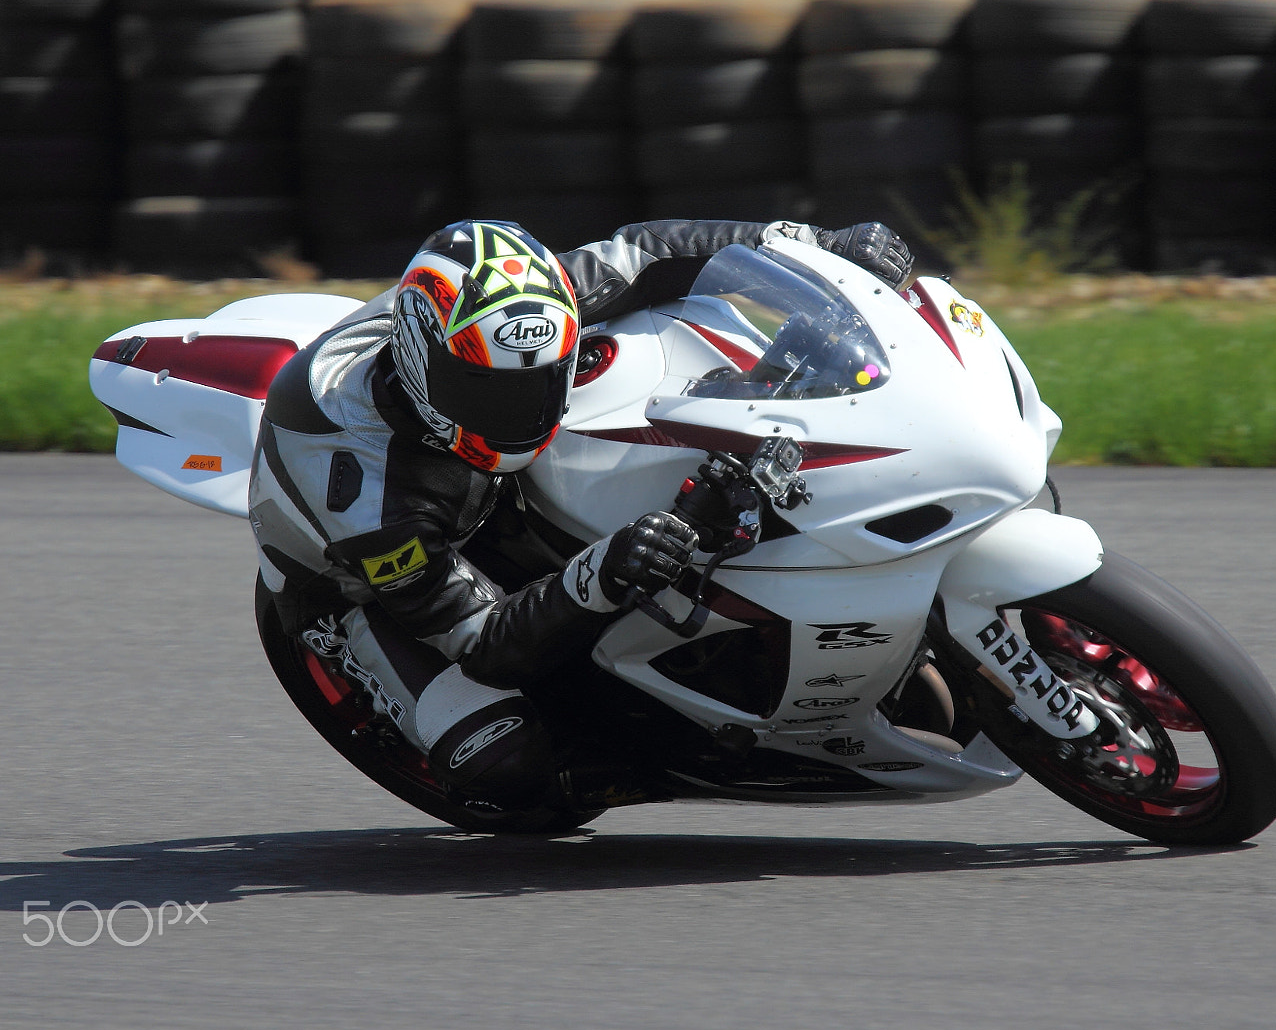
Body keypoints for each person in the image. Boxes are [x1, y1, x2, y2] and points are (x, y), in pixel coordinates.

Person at [247, 217, 913, 816]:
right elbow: (481, 641)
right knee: (504, 762)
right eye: (488, 390)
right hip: (362, 588)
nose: (519, 410)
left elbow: (652, 252)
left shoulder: (514, 306)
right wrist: (606, 569)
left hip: (478, 493)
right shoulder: (370, 501)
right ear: (427, 366)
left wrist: (818, 246)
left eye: (537, 381)